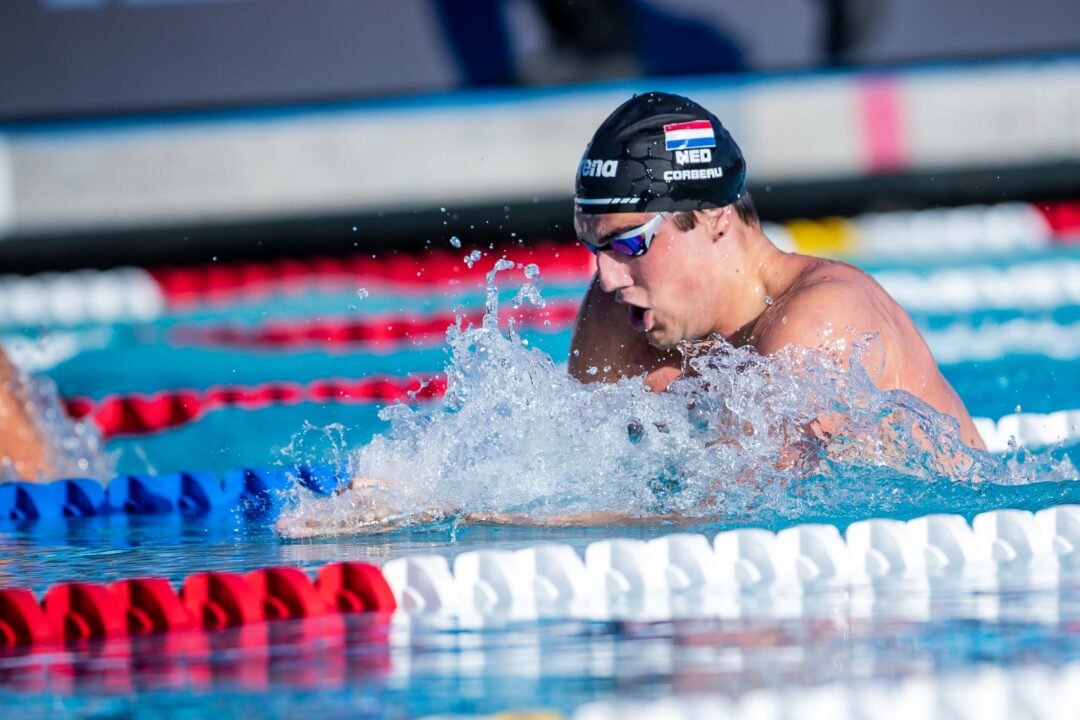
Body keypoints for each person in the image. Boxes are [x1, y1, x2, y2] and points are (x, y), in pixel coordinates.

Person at [567, 91, 986, 451]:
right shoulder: (619, 308)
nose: (608, 277)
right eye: (595, 246)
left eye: (629, 242)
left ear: (714, 215)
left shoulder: (819, 321)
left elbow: (740, 519)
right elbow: (578, 475)